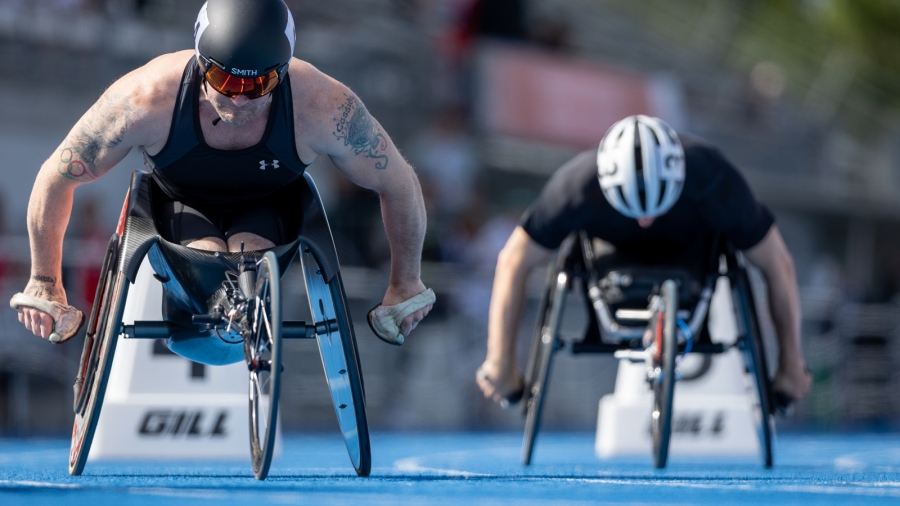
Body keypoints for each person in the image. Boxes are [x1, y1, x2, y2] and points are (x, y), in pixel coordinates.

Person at [12, 0, 433, 345]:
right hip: (179, 208)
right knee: (212, 253)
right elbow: (58, 175)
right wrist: (44, 280)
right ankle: (212, 309)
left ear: (283, 73)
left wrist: (406, 283)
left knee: (245, 258)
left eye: (258, 86)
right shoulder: (146, 98)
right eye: (223, 79)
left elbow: (398, 184)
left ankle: (243, 312)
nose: (239, 99)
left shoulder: (322, 105)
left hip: (269, 210)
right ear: (199, 62)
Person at [476, 115, 811, 408]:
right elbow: (513, 260)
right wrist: (500, 361)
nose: (646, 221)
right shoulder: (576, 185)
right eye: (634, 210)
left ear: (679, 176)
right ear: (605, 184)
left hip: (691, 256)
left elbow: (777, 263)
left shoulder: (714, 178)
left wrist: (790, 365)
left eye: (656, 208)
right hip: (611, 261)